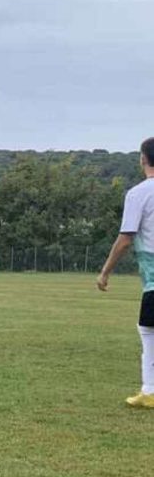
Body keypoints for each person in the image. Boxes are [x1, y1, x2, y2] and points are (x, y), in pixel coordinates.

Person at [97, 137, 154, 408]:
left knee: (147, 329)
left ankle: (150, 390)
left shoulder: (139, 193)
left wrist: (105, 271)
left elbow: (126, 238)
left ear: (143, 159)